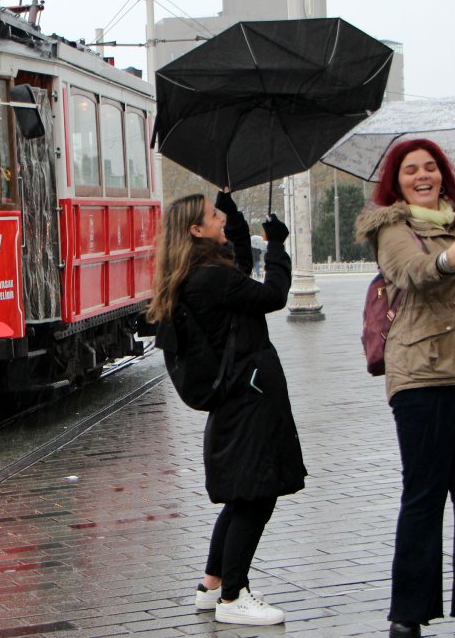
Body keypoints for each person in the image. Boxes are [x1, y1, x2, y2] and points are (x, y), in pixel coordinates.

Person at [354, 138, 455, 638]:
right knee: (422, 496)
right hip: (423, 377)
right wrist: (453, 260)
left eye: (430, 168)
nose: (422, 176)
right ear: (397, 182)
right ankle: (407, 615)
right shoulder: (392, 228)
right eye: (410, 171)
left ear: (443, 176)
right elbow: (410, 273)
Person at [147, 191, 305, 626]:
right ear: (196, 230)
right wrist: (275, 245)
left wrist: (235, 217)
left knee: (241, 495)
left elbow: (236, 263)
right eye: (214, 216)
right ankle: (234, 597)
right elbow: (272, 294)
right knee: (256, 495)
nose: (220, 220)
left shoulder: (198, 273)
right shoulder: (210, 279)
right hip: (248, 394)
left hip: (238, 392)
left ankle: (212, 583)